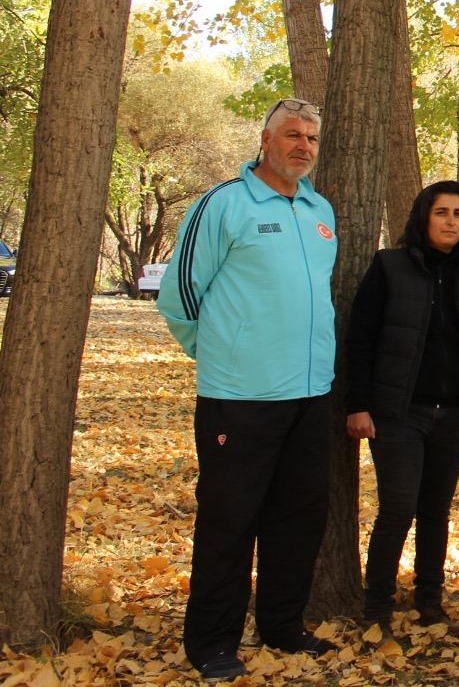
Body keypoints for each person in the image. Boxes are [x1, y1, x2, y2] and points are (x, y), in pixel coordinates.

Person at [157, 98, 338, 680]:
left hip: (311, 397)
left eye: (310, 137)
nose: (302, 146)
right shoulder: (223, 204)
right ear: (265, 140)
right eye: (291, 134)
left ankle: (282, 626)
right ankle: (211, 643)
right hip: (238, 398)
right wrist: (219, 354)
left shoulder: (320, 210)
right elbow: (180, 294)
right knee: (229, 523)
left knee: (300, 518)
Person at [344, 181, 459, 633]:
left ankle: (430, 603)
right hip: (398, 412)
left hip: (454, 413)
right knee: (397, 508)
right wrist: (357, 404)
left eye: (458, 213)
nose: (451, 221)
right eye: (441, 212)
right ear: (423, 217)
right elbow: (360, 338)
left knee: (436, 511)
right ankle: (377, 607)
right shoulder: (390, 267)